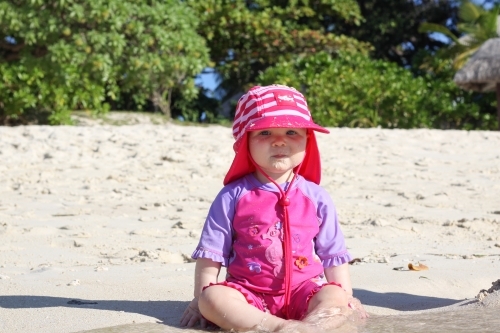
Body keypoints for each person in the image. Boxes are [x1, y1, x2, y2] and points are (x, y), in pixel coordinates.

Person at [180, 85, 367, 332]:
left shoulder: (316, 197)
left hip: (305, 291)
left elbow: (333, 255)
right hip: (247, 293)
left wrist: (347, 295)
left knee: (336, 297)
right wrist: (198, 301)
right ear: (245, 142)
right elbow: (211, 255)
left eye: (291, 132)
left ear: (308, 140)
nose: (279, 141)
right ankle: (278, 327)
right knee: (211, 299)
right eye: (265, 132)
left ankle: (312, 327)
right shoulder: (233, 196)